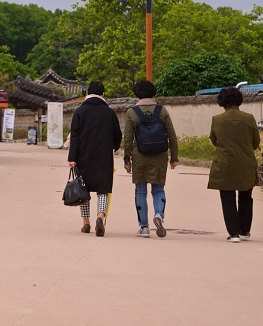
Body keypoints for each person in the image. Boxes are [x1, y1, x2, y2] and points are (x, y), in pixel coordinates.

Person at [123, 80, 179, 238]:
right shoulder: (162, 111)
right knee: (158, 189)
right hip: (160, 154)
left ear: (137, 94)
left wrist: (127, 160)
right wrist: (174, 157)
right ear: (153, 93)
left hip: (140, 155)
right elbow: (172, 136)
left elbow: (128, 139)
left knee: (140, 190)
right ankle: (159, 215)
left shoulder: (132, 112)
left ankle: (144, 227)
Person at [67, 81, 122, 237]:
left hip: (83, 155)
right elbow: (117, 134)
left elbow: (75, 136)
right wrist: (114, 147)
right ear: (103, 94)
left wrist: (72, 157)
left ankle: (86, 223)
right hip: (104, 156)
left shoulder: (80, 112)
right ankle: (100, 216)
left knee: (83, 189)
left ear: (87, 94)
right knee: (103, 189)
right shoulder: (109, 112)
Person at [207, 86, 261, 243]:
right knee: (246, 195)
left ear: (221, 102)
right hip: (246, 162)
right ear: (239, 100)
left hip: (224, 163)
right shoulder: (249, 118)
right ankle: (245, 231)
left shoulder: (217, 120)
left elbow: (214, 140)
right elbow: (255, 142)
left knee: (227, 196)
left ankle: (234, 233)